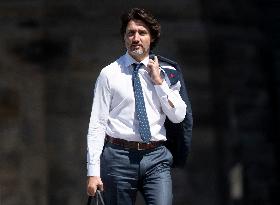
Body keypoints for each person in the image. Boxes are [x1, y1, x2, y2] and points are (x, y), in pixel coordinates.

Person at [86, 7, 193, 205]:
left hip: (156, 157)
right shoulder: (109, 74)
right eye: (131, 33)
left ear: (151, 38)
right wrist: (93, 172)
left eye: (142, 33)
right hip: (118, 158)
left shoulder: (167, 73)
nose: (136, 38)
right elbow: (97, 124)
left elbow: (179, 116)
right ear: (124, 38)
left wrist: (159, 83)